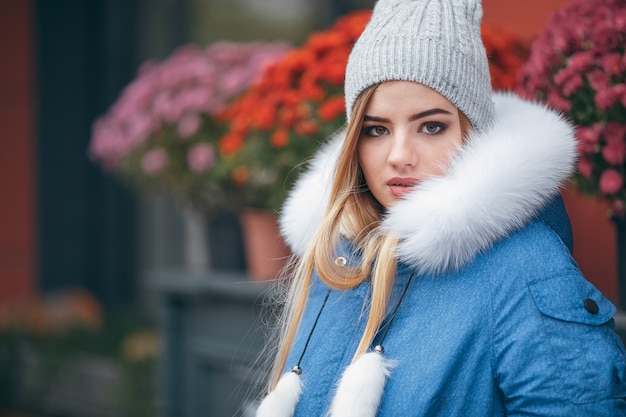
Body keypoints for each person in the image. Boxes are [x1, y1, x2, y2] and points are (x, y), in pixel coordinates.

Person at [255, 0, 626, 415]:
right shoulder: (337, 261)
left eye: (431, 126)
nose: (399, 155)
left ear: (473, 132)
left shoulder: (525, 269)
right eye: (376, 130)